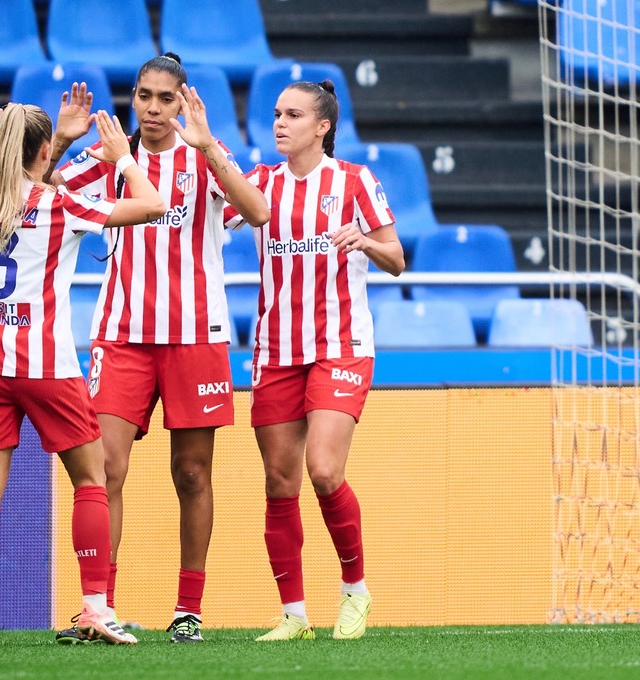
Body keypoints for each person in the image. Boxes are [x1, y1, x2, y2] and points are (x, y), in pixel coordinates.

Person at [47, 54, 270, 643]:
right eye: (143, 95)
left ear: (183, 101)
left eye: (164, 98)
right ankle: (99, 606)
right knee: (104, 469)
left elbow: (259, 212)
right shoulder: (110, 156)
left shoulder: (205, 153)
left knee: (193, 474)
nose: (150, 107)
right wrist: (64, 139)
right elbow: (34, 197)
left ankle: (188, 609)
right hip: (121, 336)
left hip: (197, 337)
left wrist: (211, 148)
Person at [0, 103, 166, 648]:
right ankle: (96, 609)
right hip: (46, 366)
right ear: (42, 153)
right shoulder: (60, 204)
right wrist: (125, 158)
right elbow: (152, 204)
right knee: (91, 480)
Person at [223, 80, 405, 641]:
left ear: (322, 126)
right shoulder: (260, 184)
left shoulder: (354, 181)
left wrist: (365, 242)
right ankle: (294, 615)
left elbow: (396, 258)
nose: (279, 123)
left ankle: (355, 591)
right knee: (280, 482)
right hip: (276, 352)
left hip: (341, 347)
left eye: (293, 114)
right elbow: (206, 220)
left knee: (324, 470)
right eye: (276, 114)